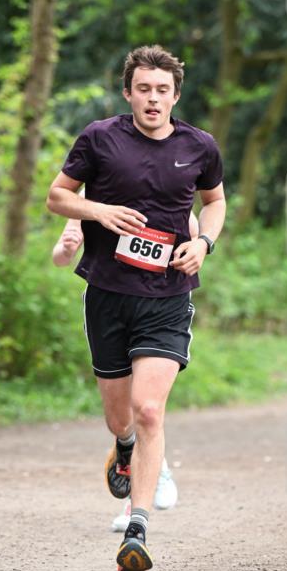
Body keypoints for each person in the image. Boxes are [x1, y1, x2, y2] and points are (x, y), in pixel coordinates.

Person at [46, 44, 225, 571]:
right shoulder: (100, 138)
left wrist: (204, 244)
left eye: (162, 90)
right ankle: (122, 447)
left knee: (149, 410)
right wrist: (98, 211)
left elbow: (214, 201)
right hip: (107, 292)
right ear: (128, 92)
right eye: (143, 89)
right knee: (119, 417)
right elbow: (57, 197)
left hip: (168, 296)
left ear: (175, 96)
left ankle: (138, 529)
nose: (153, 99)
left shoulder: (199, 146)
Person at [52, 194, 200, 531]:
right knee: (120, 420)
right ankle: (137, 451)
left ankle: (136, 506)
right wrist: (67, 247)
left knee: (147, 408)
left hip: (159, 307)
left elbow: (194, 233)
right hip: (108, 306)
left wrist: (196, 248)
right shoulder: (92, 194)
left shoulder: (170, 187)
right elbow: (61, 256)